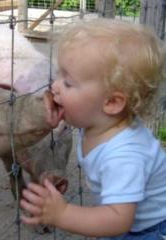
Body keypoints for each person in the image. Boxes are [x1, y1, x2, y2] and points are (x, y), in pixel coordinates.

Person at [20, 18, 166, 239]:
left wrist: (63, 214)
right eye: (59, 74)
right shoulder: (99, 120)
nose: (54, 85)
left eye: (68, 83)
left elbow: (118, 219)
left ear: (112, 103)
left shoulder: (125, 156)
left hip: (146, 232)